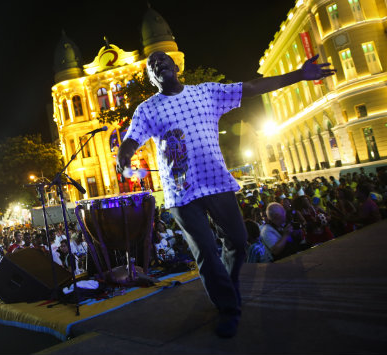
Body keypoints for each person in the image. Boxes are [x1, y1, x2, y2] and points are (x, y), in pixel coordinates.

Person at [116, 50, 334, 338]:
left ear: (176, 67)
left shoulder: (207, 92)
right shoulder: (147, 109)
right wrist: (124, 158)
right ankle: (229, 308)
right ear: (150, 77)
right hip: (181, 193)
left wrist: (299, 75)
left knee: (238, 241)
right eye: (152, 64)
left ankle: (227, 288)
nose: (158, 64)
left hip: (216, 182)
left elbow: (252, 87)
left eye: (163, 60)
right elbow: (131, 140)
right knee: (205, 250)